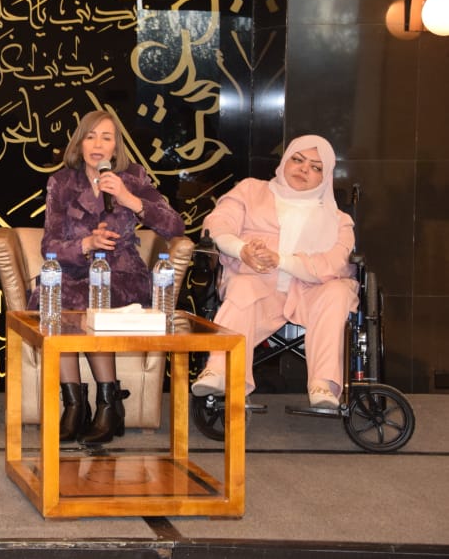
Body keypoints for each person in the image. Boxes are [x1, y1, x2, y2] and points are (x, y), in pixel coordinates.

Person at [31, 110, 184, 444]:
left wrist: (129, 199)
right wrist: (86, 244)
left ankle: (107, 403)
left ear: (116, 147)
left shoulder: (133, 177)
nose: (98, 145)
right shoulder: (61, 182)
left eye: (106, 137)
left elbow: (175, 226)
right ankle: (74, 405)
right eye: (90, 137)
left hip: (121, 273)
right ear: (79, 144)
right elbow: (49, 245)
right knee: (55, 298)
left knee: (92, 299)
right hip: (73, 271)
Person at [191, 135, 356, 409]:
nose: (304, 169)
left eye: (315, 167)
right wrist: (242, 250)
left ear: (325, 176)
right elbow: (217, 224)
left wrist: (281, 260)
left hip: (311, 291)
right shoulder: (250, 191)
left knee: (338, 292)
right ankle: (221, 370)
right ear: (285, 161)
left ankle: (323, 383)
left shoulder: (339, 220)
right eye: (298, 159)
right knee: (242, 287)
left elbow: (335, 263)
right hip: (257, 282)